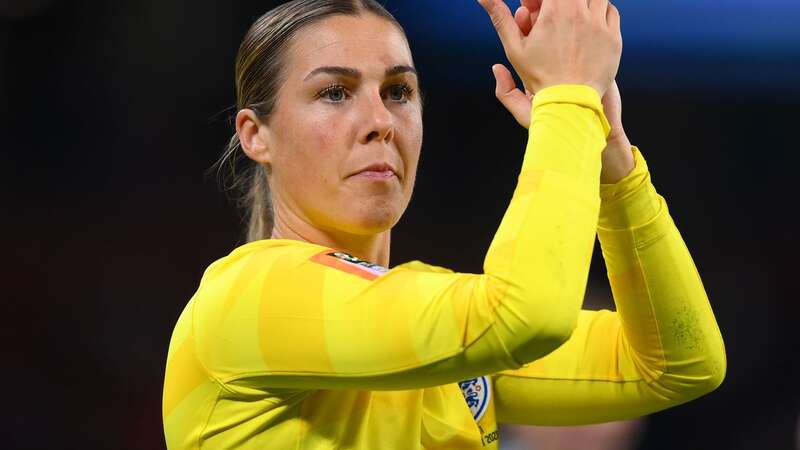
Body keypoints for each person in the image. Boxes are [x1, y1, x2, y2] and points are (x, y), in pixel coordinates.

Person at [162, 0, 727, 449]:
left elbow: (680, 365)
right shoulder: (246, 300)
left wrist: (611, 162)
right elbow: (523, 317)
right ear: (255, 135)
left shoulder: (432, 330)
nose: (380, 121)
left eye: (399, 92)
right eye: (334, 92)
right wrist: (567, 105)